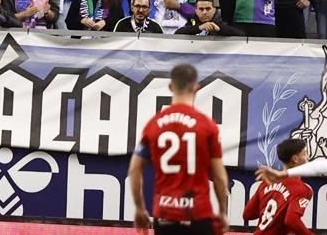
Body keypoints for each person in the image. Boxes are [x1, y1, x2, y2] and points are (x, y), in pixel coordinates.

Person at [128, 62, 228, 234]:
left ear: (170, 86)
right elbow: (219, 176)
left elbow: (135, 169)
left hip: (165, 215)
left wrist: (139, 208)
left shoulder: (153, 125)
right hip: (198, 214)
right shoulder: (207, 126)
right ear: (197, 87)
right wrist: (222, 212)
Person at [252, 138, 319, 234]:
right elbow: (291, 220)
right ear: (295, 159)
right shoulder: (303, 188)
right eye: (305, 153)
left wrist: (274, 213)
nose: (308, 157)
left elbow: (248, 214)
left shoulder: (267, 182)